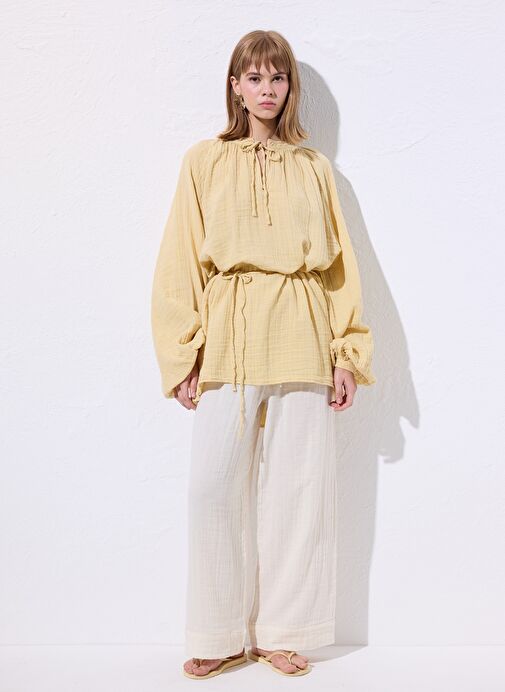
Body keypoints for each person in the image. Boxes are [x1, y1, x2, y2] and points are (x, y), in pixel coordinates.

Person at [151, 30, 376, 679]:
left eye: (277, 78)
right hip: (229, 331)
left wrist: (346, 351)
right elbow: (179, 260)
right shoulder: (204, 161)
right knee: (212, 486)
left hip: (302, 330)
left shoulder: (313, 168)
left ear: (289, 87)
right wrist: (184, 353)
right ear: (235, 86)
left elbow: (340, 267)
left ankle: (284, 631)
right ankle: (218, 632)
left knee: (296, 489)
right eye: (254, 77)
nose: (267, 89)